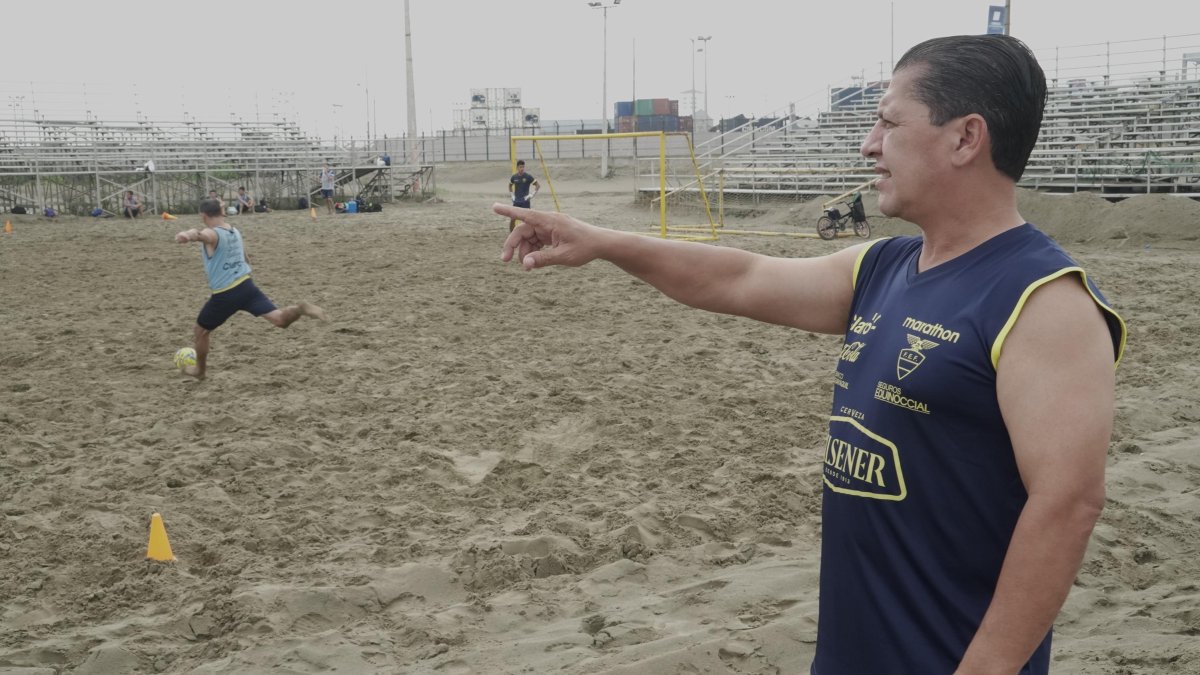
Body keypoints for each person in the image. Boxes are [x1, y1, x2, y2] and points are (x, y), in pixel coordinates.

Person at [493, 34, 1125, 674]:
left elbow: (1068, 504)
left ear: (965, 138)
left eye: (889, 123)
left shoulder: (1043, 301)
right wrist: (603, 242)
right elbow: (740, 278)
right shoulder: (885, 266)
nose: (870, 145)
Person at [173, 198, 327, 380]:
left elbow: (200, 234)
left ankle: (200, 371)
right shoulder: (234, 230)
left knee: (201, 331)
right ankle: (299, 309)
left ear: (203, 216)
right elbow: (245, 257)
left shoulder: (212, 233)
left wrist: (187, 235)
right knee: (280, 320)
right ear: (221, 212)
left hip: (225, 294)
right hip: (246, 286)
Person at [507, 159, 539, 232]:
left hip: (525, 201)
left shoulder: (528, 176)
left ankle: (529, 233)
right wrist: (512, 195)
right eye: (520, 167)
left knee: (527, 220)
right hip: (516, 201)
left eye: (523, 167)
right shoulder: (514, 177)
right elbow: (510, 185)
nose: (522, 169)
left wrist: (531, 195)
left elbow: (537, 185)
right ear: (517, 168)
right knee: (512, 218)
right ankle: (512, 234)